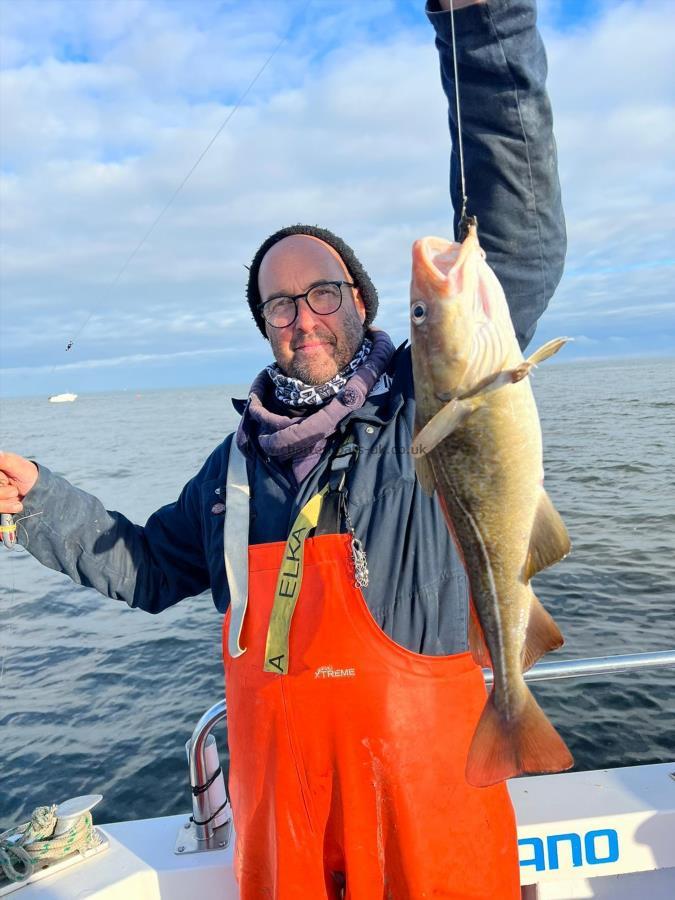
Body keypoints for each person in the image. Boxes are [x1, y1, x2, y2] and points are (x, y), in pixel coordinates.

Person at [0, 1, 566, 897]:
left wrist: (485, 27)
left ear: (365, 305)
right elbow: (148, 568)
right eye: (279, 302)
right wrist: (37, 502)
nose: (303, 315)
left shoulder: (433, 407)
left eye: (324, 291)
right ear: (264, 325)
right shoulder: (232, 469)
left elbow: (521, 238)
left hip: (430, 806)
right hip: (286, 825)